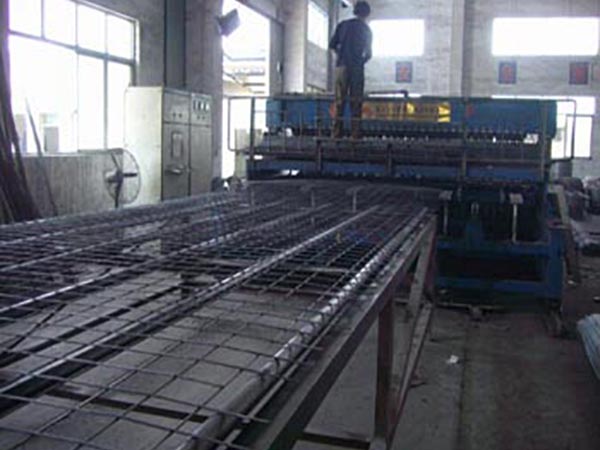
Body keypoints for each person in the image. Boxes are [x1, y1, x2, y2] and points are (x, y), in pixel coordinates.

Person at [329, 1, 372, 139]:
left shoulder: (343, 25)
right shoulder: (366, 30)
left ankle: (336, 134)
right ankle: (355, 135)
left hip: (341, 67)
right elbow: (369, 54)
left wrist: (341, 56)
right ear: (366, 14)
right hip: (356, 68)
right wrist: (359, 62)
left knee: (339, 101)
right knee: (356, 102)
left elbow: (332, 45)